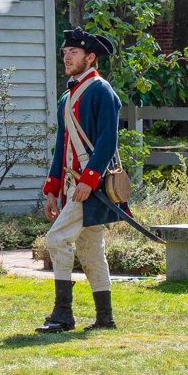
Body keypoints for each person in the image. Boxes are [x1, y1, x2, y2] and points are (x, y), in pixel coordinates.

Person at [37, 27, 121, 334]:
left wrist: (89, 180)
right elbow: (62, 146)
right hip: (74, 185)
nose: (67, 58)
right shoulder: (66, 97)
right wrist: (52, 190)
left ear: (90, 57)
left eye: (73, 53)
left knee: (56, 239)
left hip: (90, 186)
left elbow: (107, 142)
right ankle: (105, 319)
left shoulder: (101, 91)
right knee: (89, 250)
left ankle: (63, 315)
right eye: (65, 53)